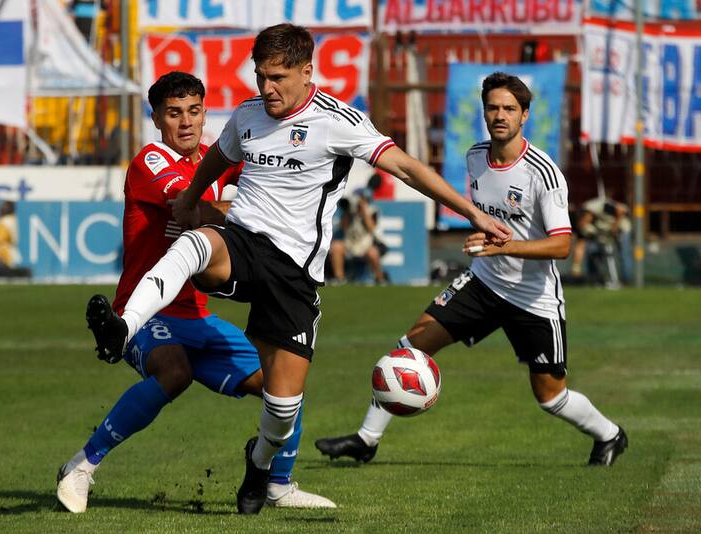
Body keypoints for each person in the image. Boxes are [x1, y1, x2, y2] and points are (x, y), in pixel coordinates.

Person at [86, 24, 511, 515]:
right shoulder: (248, 115)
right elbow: (218, 159)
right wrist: (186, 201)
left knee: (282, 406)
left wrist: (474, 214)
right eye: (261, 76)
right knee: (197, 246)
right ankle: (123, 328)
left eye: (278, 78)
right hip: (243, 244)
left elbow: (408, 168)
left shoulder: (340, 121)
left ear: (307, 72)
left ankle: (262, 466)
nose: (267, 89)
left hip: (294, 273)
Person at [314, 72, 628, 469]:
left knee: (550, 396)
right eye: (493, 107)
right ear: (484, 112)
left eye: (509, 109)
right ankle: (366, 439)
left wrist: (505, 244)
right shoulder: (475, 156)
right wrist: (489, 246)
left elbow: (562, 245)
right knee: (410, 346)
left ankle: (610, 434)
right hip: (482, 281)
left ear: (525, 115)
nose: (500, 115)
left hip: (533, 299)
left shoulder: (543, 174)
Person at [56, 71, 335, 514]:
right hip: (146, 313)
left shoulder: (215, 156)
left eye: (194, 111)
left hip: (200, 317)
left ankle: (278, 483)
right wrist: (251, 215)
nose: (186, 122)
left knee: (281, 381)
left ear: (205, 113)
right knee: (174, 371)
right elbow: (196, 208)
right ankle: (81, 466)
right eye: (174, 113)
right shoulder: (151, 161)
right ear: (157, 119)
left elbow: (274, 174)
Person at [328, 174, 388, 285]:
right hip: (350, 244)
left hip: (366, 245)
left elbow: (372, 229)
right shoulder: (350, 212)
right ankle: (340, 279)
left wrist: (364, 211)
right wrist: (348, 212)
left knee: (373, 253)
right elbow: (343, 227)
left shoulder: (372, 210)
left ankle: (380, 279)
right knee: (336, 246)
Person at [571, 196, 633, 287]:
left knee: (624, 254)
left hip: (622, 229)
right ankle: (595, 279)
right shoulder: (587, 226)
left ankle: (627, 281)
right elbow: (580, 246)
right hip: (606, 231)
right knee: (593, 251)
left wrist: (615, 226)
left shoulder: (596, 206)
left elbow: (621, 210)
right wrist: (576, 268)